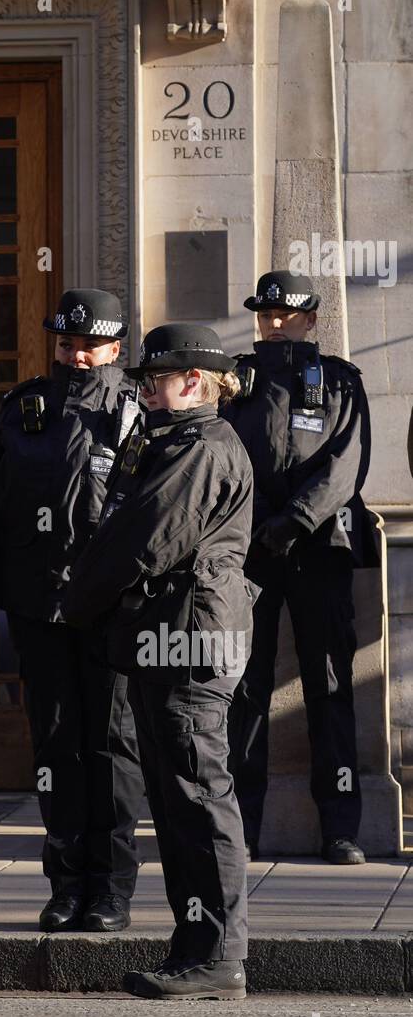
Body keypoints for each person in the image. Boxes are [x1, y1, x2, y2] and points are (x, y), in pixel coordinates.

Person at [62, 323, 255, 1000]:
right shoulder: (172, 438)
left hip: (190, 641)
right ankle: (195, 945)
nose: (143, 391)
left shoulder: (201, 445)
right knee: (176, 804)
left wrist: (76, 604)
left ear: (195, 382)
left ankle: (219, 956)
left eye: (154, 381)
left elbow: (143, 541)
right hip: (164, 638)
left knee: (198, 798)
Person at [0, 288, 144, 933]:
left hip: (113, 610)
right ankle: (66, 883)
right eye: (67, 343)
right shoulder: (22, 408)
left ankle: (112, 887)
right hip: (39, 605)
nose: (77, 355)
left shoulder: (137, 412)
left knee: (112, 749)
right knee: (56, 746)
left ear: (116, 347)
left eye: (90, 344)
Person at [224, 270, 373, 865]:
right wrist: (256, 526)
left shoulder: (340, 381)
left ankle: (340, 827)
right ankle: (241, 827)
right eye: (265, 314)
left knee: (330, 685)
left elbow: (346, 465)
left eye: (285, 314)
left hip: (319, 548)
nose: (274, 323)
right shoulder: (234, 381)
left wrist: (294, 520)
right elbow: (218, 453)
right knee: (243, 688)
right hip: (248, 552)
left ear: (312, 318)